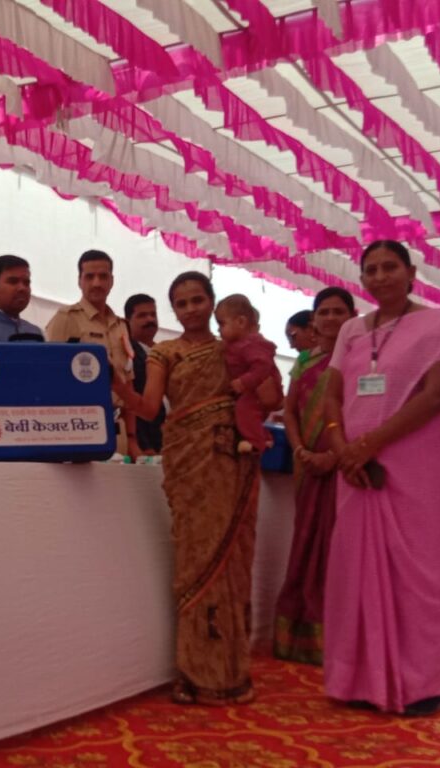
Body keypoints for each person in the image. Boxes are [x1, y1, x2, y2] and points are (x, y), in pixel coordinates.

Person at [323, 240, 440, 716]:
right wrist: (344, 449)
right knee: (353, 571)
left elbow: (436, 394)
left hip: (420, 463)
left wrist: (370, 443)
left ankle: (421, 684)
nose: (380, 276)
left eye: (390, 267)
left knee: (423, 574)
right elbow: (331, 396)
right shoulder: (351, 331)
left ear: (412, 272)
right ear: (361, 279)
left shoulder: (438, 325)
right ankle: (359, 680)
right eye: (371, 270)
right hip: (356, 469)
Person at [116, 272, 260, 705]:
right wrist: (116, 384)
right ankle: (194, 670)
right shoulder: (166, 353)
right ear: (173, 310)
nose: (191, 309)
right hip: (188, 463)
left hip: (231, 462)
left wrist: (257, 365)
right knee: (193, 561)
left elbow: (270, 396)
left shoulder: (233, 348)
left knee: (232, 560)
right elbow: (148, 408)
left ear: (212, 302)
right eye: (181, 303)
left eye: (198, 300)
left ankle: (232, 669)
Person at [273, 287, 356, 665]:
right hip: (307, 467)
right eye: (324, 312)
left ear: (352, 316)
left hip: (345, 468)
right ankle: (301, 637)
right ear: (314, 318)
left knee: (340, 548)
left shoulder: (361, 360)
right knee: (305, 544)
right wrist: (300, 450)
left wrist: (333, 456)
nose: (331, 318)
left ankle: (343, 639)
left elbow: (363, 414)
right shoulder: (305, 361)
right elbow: (290, 410)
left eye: (339, 311)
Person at [45, 250, 133, 454]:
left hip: (119, 428)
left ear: (112, 281)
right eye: (89, 276)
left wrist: (132, 438)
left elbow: (129, 382)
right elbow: (52, 379)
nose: (96, 283)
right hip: (82, 426)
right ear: (79, 281)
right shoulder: (66, 318)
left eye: (103, 276)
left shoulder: (121, 325)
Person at [214, 294, 282, 453]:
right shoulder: (236, 344)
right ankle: (262, 437)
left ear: (241, 322)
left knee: (245, 409)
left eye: (222, 323)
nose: (218, 329)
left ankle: (258, 442)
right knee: (246, 412)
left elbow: (263, 366)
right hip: (251, 390)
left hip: (256, 390)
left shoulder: (250, 344)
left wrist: (244, 381)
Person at [123, 293, 165, 454]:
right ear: (128, 321)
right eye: (142, 315)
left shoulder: (165, 351)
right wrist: (143, 446)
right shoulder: (127, 354)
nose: (150, 319)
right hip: (148, 443)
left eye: (153, 314)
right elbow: (130, 403)